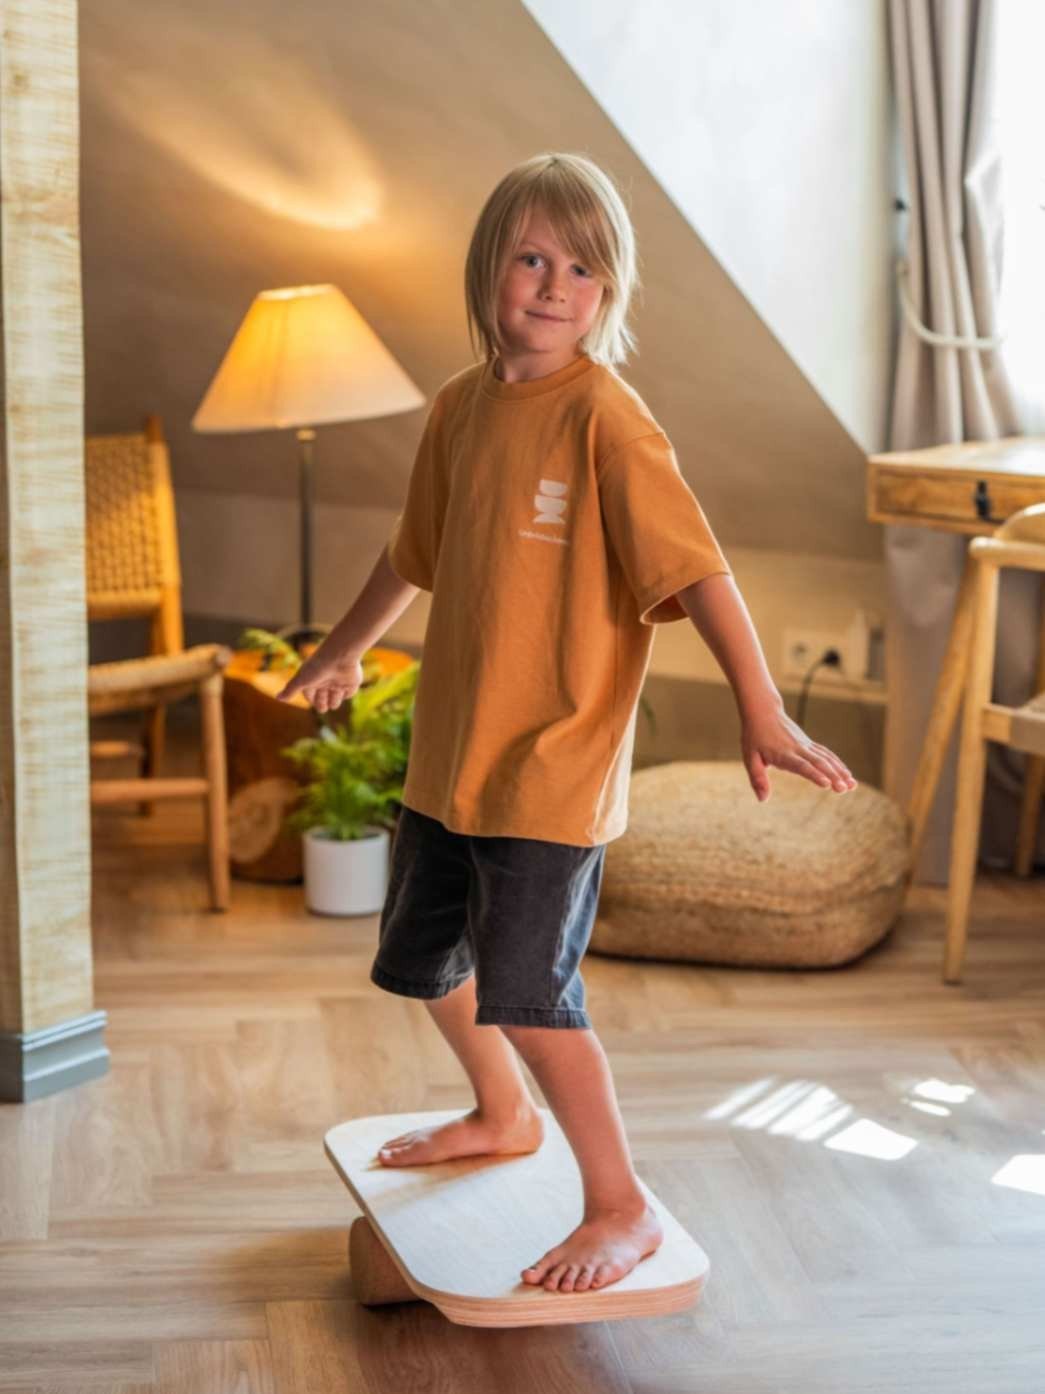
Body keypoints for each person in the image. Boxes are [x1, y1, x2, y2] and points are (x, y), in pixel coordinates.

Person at [277, 151, 857, 1296]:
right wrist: (343, 646)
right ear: (487, 269)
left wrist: (760, 702)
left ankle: (620, 1202)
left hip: (554, 766)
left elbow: (699, 572)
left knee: (533, 996)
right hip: (451, 760)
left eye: (581, 268)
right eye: (532, 258)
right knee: (420, 959)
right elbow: (414, 555)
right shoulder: (457, 408)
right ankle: (500, 1114)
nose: (553, 285)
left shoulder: (607, 418)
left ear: (609, 293)